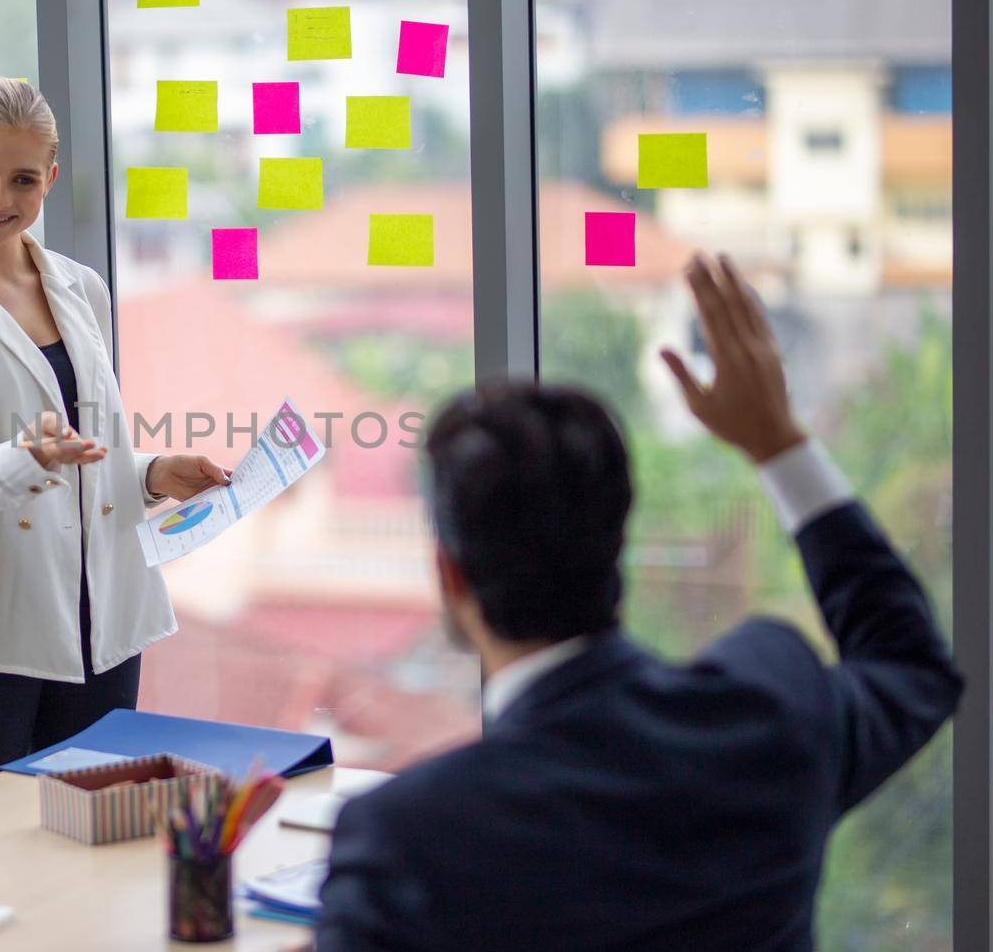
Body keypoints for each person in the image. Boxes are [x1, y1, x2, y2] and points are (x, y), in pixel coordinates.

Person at [315, 255, 963, 952]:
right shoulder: (772, 715)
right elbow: (914, 666)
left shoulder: (406, 842)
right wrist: (777, 443)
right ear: (617, 537)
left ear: (450, 576)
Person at [0, 78, 230, 795]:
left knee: (94, 840)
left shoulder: (81, 288)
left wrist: (156, 472)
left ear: (51, 181)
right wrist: (34, 455)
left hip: (98, 620)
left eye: (23, 180)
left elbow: (87, 462)